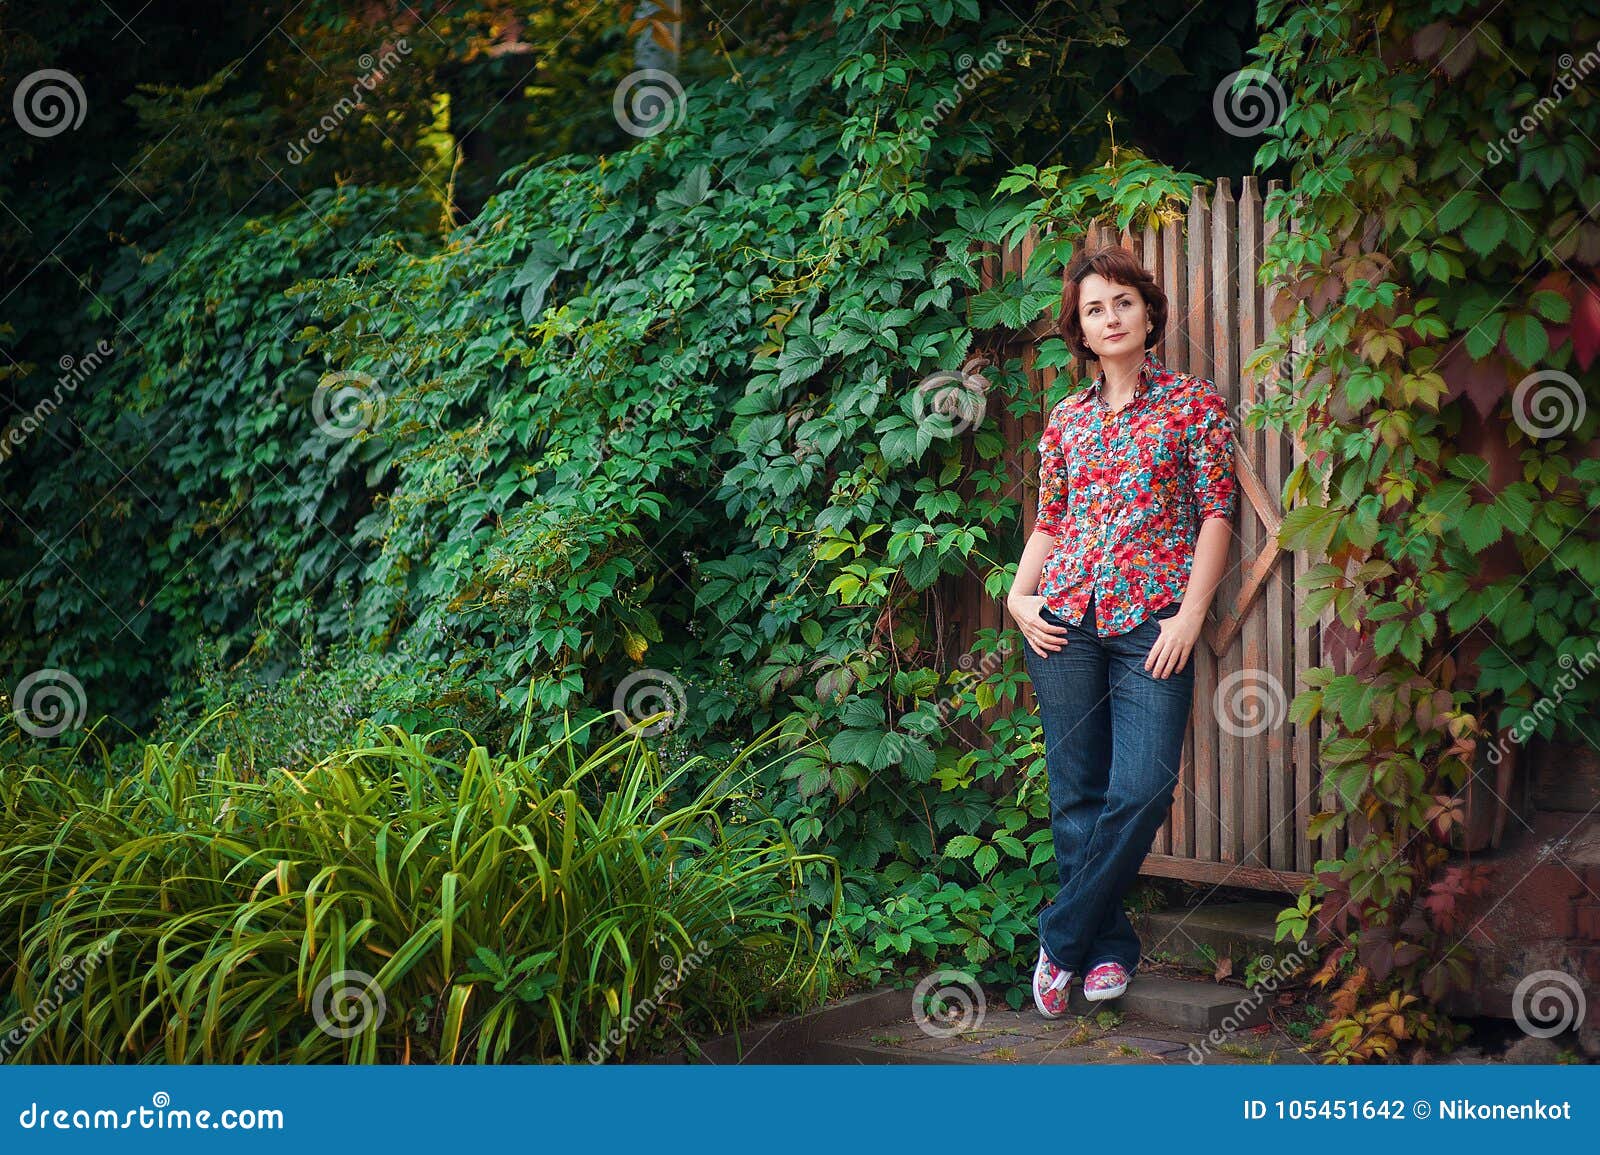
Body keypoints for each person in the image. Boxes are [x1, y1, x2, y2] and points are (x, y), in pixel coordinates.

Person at [1006, 243, 1237, 1016]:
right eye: (1094, 308)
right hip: (1062, 620)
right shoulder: (1066, 417)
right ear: (1079, 325)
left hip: (1153, 623)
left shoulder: (1193, 403)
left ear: (1147, 311)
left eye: (1123, 302)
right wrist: (1017, 595)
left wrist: (1192, 613)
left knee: (1141, 788)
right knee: (1076, 792)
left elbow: (1217, 512)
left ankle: (1060, 936)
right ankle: (1106, 951)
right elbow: (1053, 520)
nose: (1110, 318)